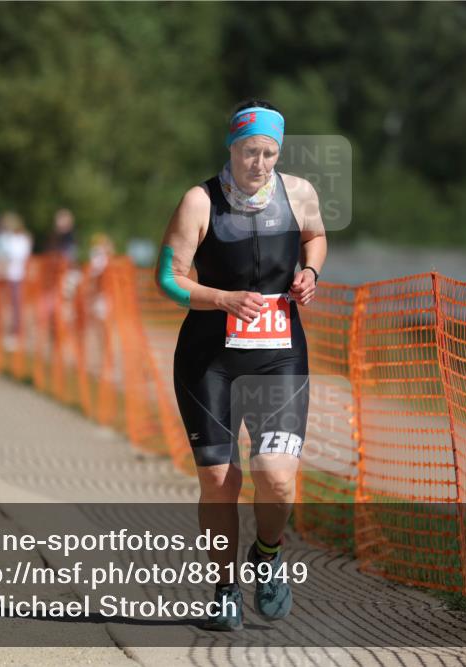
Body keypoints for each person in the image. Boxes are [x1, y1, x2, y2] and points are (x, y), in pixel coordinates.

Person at [154, 99, 326, 630]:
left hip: (279, 359)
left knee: (276, 478)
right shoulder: (199, 202)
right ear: (231, 147)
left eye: (270, 153)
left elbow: (314, 238)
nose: (261, 163)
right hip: (210, 360)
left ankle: (268, 556)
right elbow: (168, 278)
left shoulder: (299, 193)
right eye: (251, 151)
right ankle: (225, 588)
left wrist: (311, 273)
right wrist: (222, 299)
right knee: (220, 482)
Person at [0, 212, 32, 348]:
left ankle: (16, 333)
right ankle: (4, 332)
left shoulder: (22, 239)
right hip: (5, 276)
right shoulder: (6, 239)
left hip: (17, 276)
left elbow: (20, 255)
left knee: (16, 305)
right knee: (6, 305)